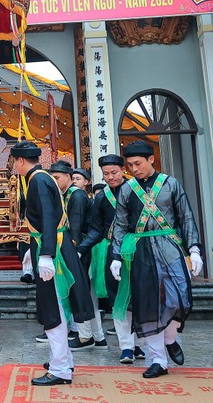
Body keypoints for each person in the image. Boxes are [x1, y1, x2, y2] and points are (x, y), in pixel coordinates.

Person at [110, 139, 203, 379]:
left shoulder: (171, 184)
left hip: (170, 247)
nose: (134, 169)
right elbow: (119, 225)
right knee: (148, 305)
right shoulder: (127, 190)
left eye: (138, 163)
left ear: (151, 159)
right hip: (140, 252)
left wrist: (194, 249)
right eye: (129, 165)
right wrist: (116, 256)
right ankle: (158, 360)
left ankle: (170, 338)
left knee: (180, 298)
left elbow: (186, 218)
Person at [12, 142, 94, 387]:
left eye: (13, 161)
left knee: (54, 306)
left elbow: (48, 218)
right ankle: (63, 360)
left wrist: (46, 254)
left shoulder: (37, 180)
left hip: (54, 250)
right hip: (52, 245)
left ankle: (60, 368)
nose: (13, 166)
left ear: (20, 161)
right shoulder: (42, 179)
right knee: (55, 304)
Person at [78, 154, 145, 364]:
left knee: (140, 299)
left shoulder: (137, 191)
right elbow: (97, 229)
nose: (110, 177)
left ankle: (140, 345)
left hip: (136, 251)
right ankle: (126, 347)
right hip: (111, 253)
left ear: (123, 170)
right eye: (106, 174)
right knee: (118, 301)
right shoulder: (102, 197)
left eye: (114, 173)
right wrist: (82, 248)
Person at [48, 161, 103, 351]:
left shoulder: (76, 195)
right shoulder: (67, 195)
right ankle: (97, 336)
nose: (54, 182)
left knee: (80, 291)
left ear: (68, 178)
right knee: (87, 293)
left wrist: (75, 252)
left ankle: (85, 335)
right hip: (79, 247)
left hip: (81, 248)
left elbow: (76, 228)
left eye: (56, 178)